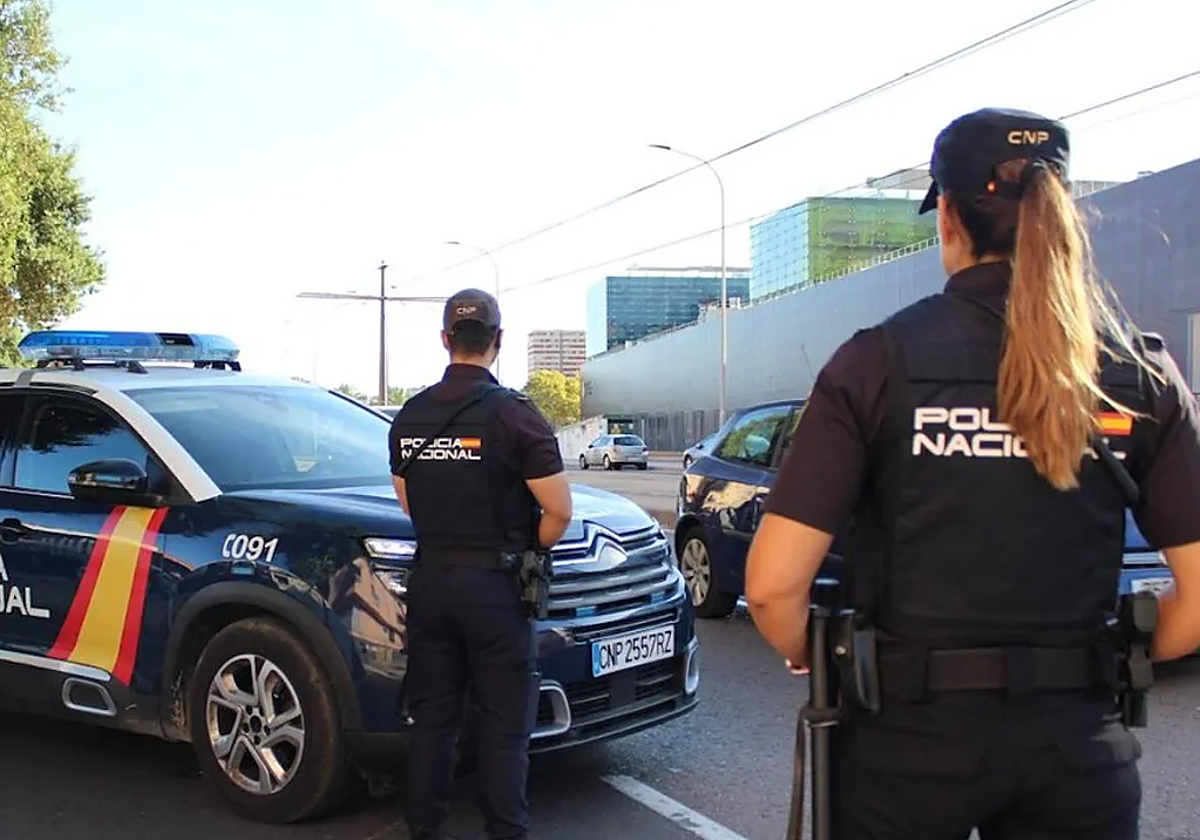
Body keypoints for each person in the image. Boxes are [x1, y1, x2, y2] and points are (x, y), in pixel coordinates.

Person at [744, 107, 1200, 840]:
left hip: (907, 753)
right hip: (1076, 750)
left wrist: (819, 656)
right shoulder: (1140, 371)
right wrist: (1110, 664)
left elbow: (769, 587)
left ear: (947, 216)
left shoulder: (876, 360)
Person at [389, 288, 573, 840]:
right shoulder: (518, 418)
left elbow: (408, 502)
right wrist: (525, 549)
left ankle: (424, 828)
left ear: (446, 340)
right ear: (498, 341)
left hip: (432, 582)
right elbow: (559, 512)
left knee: (432, 723)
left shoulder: (410, 416)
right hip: (496, 588)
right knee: (502, 730)